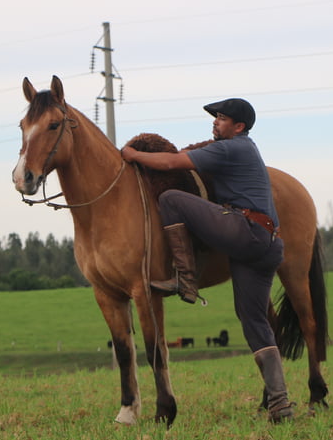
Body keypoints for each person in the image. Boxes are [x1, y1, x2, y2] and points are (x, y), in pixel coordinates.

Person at [121, 98, 293, 422]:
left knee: (171, 198)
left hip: (246, 231)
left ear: (238, 126)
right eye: (216, 118)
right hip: (265, 244)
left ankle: (185, 278)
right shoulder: (244, 149)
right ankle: (281, 405)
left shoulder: (232, 148)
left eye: (222, 118)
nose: (216, 122)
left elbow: (173, 164)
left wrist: (131, 155)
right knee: (253, 321)